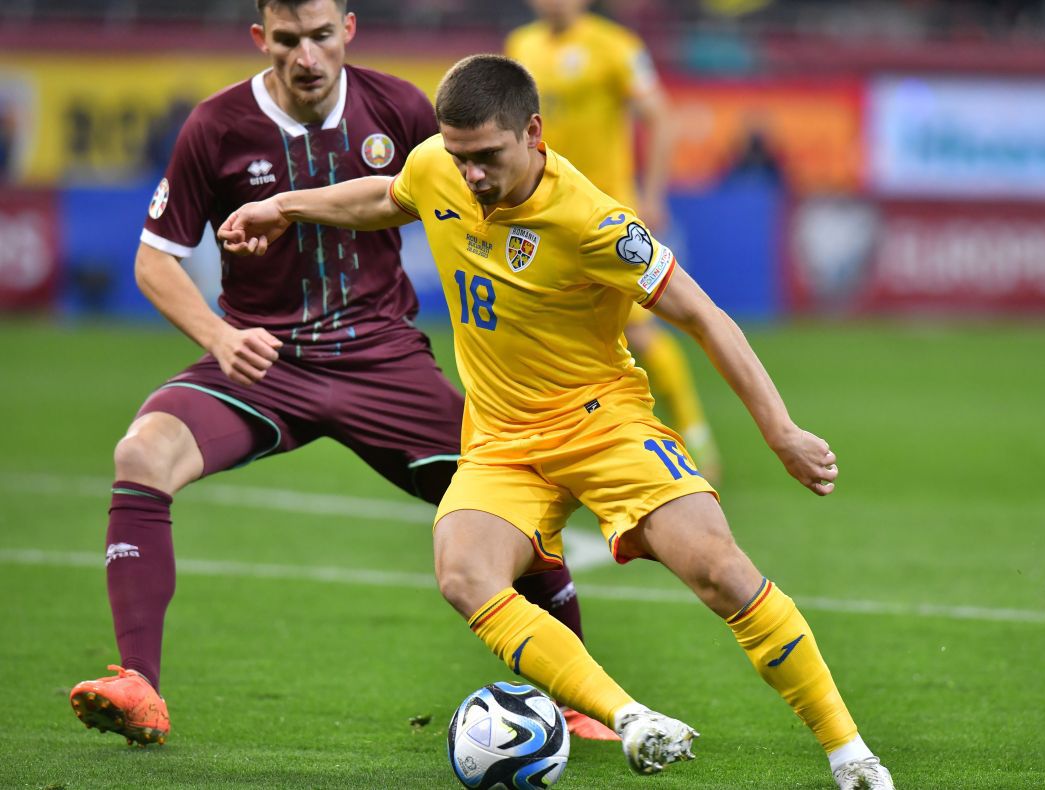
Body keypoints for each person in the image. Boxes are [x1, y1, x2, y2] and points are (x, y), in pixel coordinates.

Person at [218, 54, 896, 789]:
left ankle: (850, 754)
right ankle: (631, 717)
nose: (470, 174)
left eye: (486, 157)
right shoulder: (437, 168)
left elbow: (703, 316)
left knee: (720, 572)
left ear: (533, 133)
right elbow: (387, 197)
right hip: (502, 445)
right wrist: (284, 207)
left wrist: (782, 432)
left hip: (603, 426)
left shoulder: (595, 222)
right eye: (458, 156)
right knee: (464, 572)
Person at [67, 0, 610, 747]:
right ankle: (138, 686)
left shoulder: (400, 108)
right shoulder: (216, 127)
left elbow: (480, 197)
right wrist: (220, 338)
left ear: (347, 30)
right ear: (262, 39)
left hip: (383, 358)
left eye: (322, 36)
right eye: (287, 40)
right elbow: (153, 260)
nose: (307, 57)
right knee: (142, 453)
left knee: (520, 500)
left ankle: (578, 701)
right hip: (265, 360)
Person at [506, 0, 722, 481]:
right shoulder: (521, 46)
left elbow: (660, 116)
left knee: (642, 331)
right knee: (542, 331)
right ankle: (554, 446)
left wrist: (652, 194)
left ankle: (695, 436)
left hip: (608, 217)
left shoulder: (616, 47)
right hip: (544, 214)